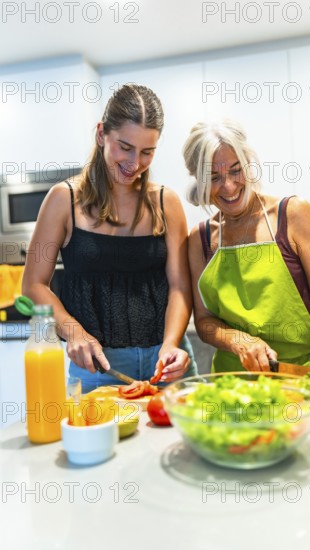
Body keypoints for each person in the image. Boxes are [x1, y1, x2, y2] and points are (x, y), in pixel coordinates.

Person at [22, 83, 197, 393]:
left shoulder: (165, 203)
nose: (134, 164)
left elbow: (180, 286)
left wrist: (171, 345)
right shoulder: (64, 200)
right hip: (99, 367)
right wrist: (73, 332)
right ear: (102, 133)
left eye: (147, 152)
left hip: (167, 363)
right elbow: (34, 284)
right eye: (125, 147)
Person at [183, 119, 310, 391]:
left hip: (299, 381)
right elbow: (204, 322)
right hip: (231, 387)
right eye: (213, 177)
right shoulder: (198, 239)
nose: (228, 186)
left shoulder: (293, 214)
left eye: (236, 171)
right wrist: (238, 340)